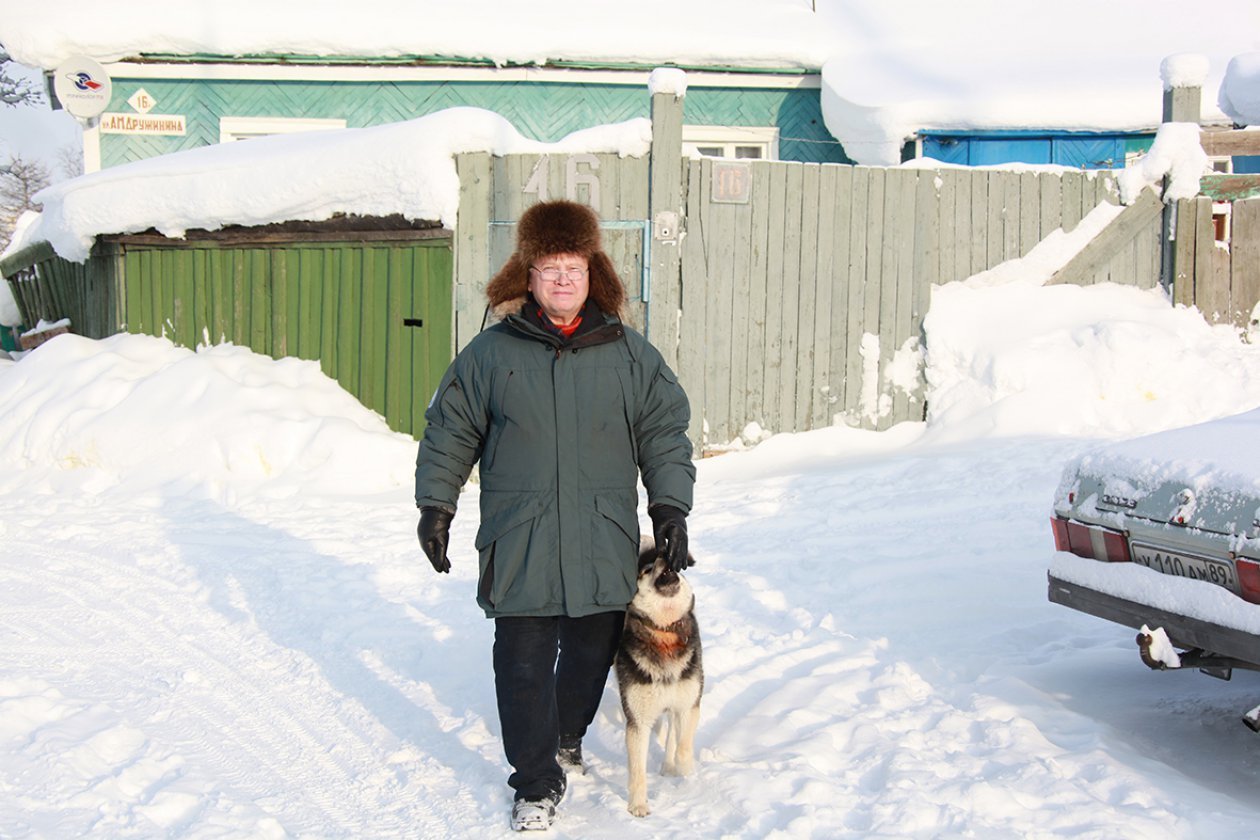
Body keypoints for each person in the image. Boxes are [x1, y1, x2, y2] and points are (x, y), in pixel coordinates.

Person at [413, 199, 695, 832]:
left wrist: (671, 508)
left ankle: (567, 733)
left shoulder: (628, 354)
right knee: (521, 664)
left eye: (573, 266)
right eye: (549, 267)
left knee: (593, 655)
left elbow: (665, 431)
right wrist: (437, 503)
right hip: (522, 539)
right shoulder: (491, 354)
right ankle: (537, 780)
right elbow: (450, 430)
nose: (562, 279)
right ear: (528, 276)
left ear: (593, 273)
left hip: (601, 539)